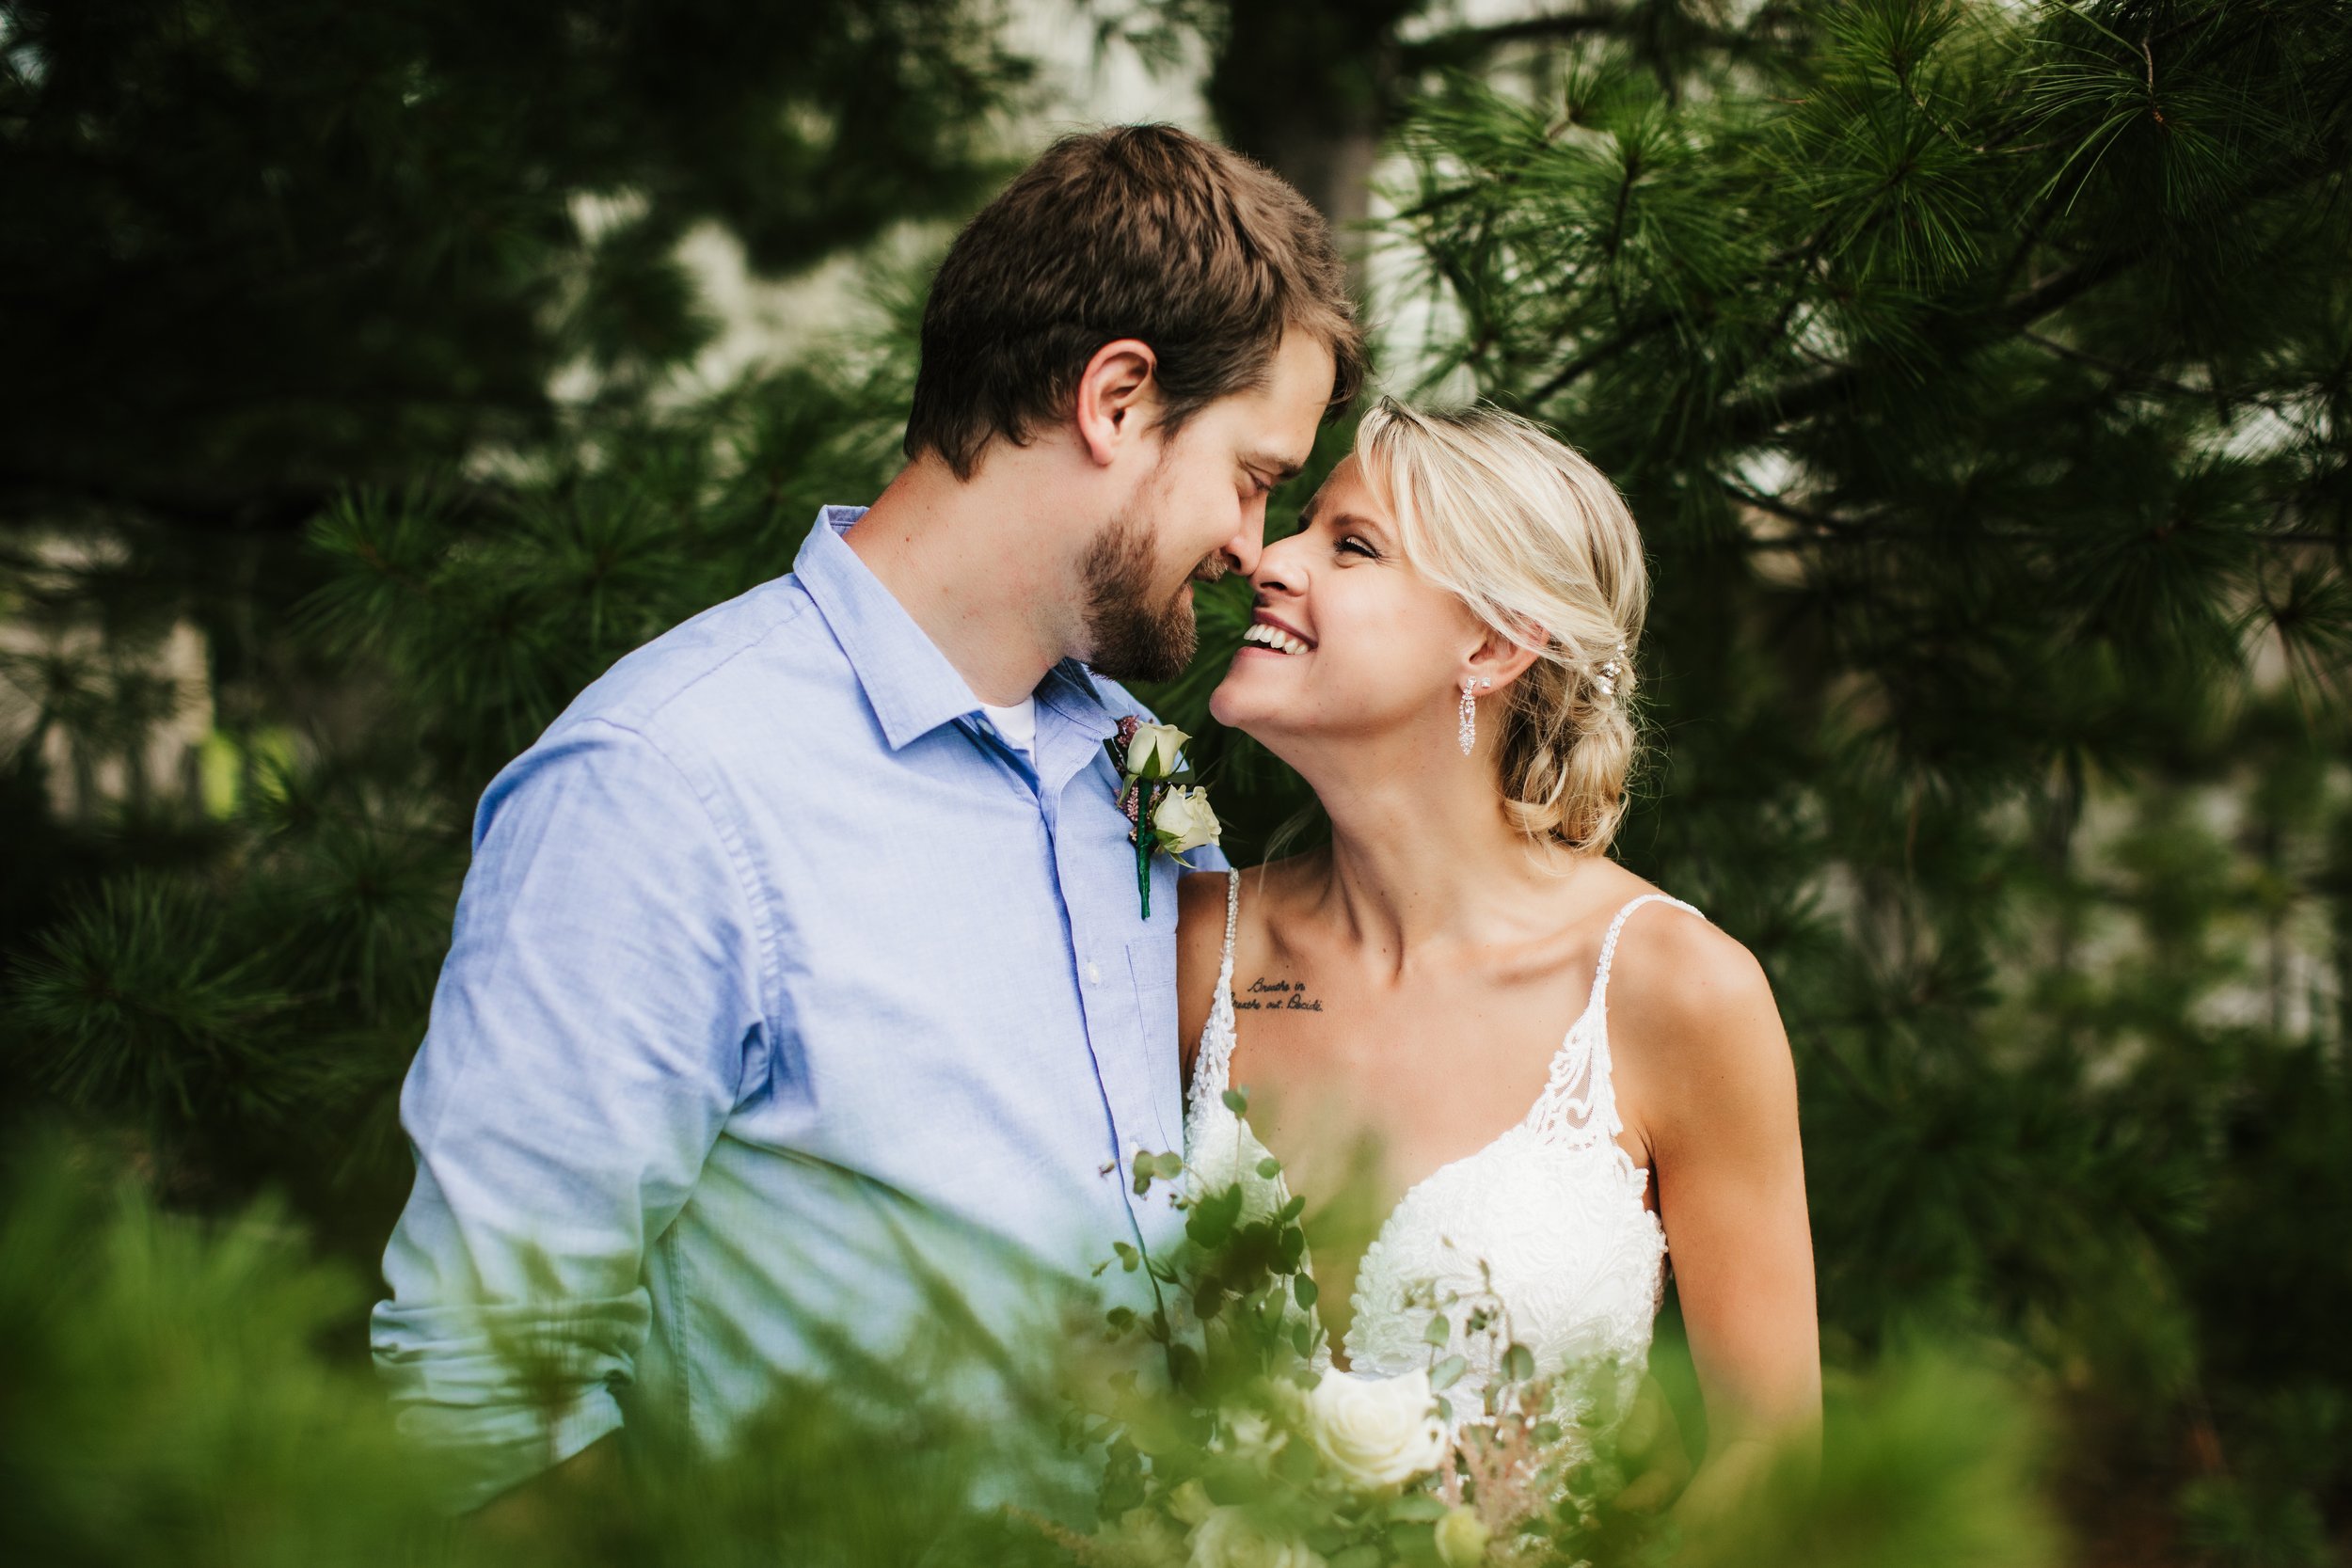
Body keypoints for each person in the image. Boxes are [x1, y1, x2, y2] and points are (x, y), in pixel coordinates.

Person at [371, 123, 1365, 1515]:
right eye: (1254, 477)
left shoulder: (1136, 769)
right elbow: (484, 1392)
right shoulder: (663, 784)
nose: (1253, 548)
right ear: (1118, 398)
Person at [1178, 400, 1820, 1518]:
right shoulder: (1188, 948)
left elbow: (1769, 1457)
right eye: (1301, 523)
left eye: (1351, 543)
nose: (1266, 559)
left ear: (1489, 644)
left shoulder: (1676, 993)